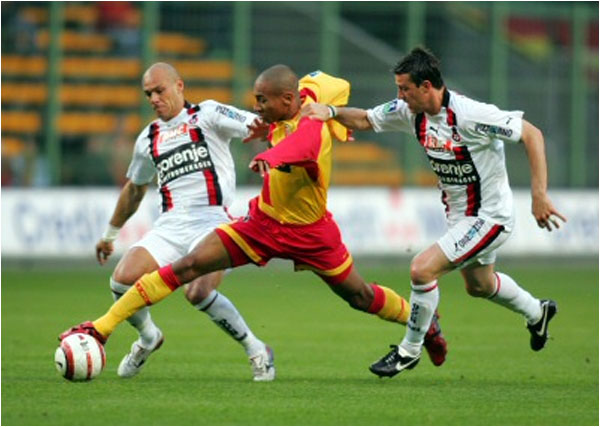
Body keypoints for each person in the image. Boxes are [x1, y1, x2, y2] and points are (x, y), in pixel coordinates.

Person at [59, 64, 448, 373]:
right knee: (189, 266)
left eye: (262, 100)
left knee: (359, 296)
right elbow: (336, 83)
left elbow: (305, 146)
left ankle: (424, 325)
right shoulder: (306, 98)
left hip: (311, 232)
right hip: (262, 223)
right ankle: (102, 328)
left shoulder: (309, 127)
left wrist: (274, 154)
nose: (257, 107)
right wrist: (327, 106)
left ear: (286, 99)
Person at [301, 46, 566, 378]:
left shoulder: (471, 114)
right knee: (480, 286)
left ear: (427, 86)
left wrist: (539, 195)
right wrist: (329, 111)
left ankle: (409, 351)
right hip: (461, 218)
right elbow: (367, 119)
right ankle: (537, 312)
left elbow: (532, 134)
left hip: (490, 217)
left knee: (421, 270)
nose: (399, 96)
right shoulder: (410, 111)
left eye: (405, 89)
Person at [91, 62, 275, 381]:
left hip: (214, 222)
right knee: (121, 281)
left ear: (179, 86)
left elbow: (258, 126)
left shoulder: (208, 114)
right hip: (171, 225)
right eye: (148, 94)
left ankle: (256, 348)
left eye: (159, 90)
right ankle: (149, 338)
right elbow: (135, 189)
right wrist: (110, 234)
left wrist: (270, 149)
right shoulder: (148, 138)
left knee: (198, 292)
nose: (154, 98)